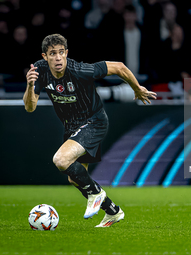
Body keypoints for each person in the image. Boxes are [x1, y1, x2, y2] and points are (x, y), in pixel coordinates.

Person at [23, 34, 156, 227]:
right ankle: (113, 212)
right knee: (74, 178)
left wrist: (136, 88)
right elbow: (29, 107)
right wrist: (29, 85)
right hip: (72, 127)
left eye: (61, 52)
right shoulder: (40, 70)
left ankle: (96, 194)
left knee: (61, 160)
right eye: (53, 54)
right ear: (45, 56)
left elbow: (118, 66)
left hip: (94, 122)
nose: (58, 58)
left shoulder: (80, 70)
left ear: (66, 53)